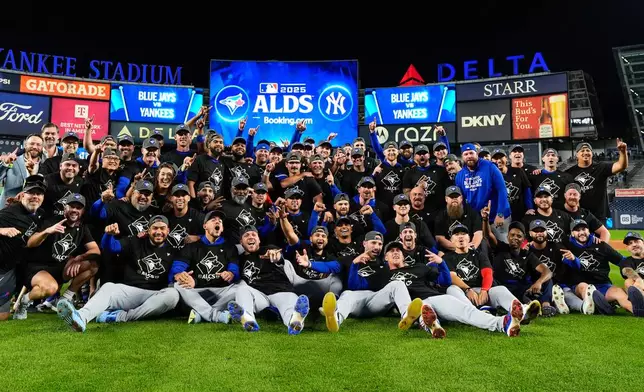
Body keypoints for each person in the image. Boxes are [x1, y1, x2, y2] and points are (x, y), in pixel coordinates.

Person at [56, 216, 180, 332]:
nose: (158, 232)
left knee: (173, 295)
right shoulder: (135, 241)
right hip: (130, 292)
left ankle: (121, 316)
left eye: (162, 228)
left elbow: (176, 271)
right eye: (155, 228)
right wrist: (109, 235)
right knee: (109, 287)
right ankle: (81, 317)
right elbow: (112, 248)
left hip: (155, 295)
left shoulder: (173, 250)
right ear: (148, 230)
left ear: (168, 230)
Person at [383, 241, 525, 337]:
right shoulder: (383, 275)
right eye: (391, 251)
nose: (395, 253)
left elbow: (445, 281)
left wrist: (441, 263)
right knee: (423, 308)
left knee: (466, 311)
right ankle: (431, 324)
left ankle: (502, 324)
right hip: (415, 305)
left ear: (404, 255)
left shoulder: (419, 267)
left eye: (398, 250)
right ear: (385, 257)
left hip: (435, 298)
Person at [14, 194, 100, 319]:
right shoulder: (51, 221)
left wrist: (79, 258)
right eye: (72, 206)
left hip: (61, 268)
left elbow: (96, 251)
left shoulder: (82, 228)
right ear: (65, 208)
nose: (75, 210)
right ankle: (24, 301)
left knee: (92, 265)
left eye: (78, 208)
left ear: (83, 211)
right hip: (39, 267)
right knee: (51, 288)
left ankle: (65, 300)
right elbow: (30, 243)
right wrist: (46, 232)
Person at [319, 231, 424, 333]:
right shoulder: (351, 259)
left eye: (380, 244)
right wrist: (309, 264)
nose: (377, 247)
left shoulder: (383, 266)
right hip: (355, 302)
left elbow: (363, 286)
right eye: (374, 243)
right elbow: (351, 285)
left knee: (398, 284)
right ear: (365, 243)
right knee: (347, 294)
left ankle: (407, 316)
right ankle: (335, 319)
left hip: (375, 301)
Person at [443, 224, 541, 322]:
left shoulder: (479, 254)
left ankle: (521, 312)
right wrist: (467, 290)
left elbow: (487, 273)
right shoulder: (447, 257)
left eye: (463, 234)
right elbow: (452, 277)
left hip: (480, 291)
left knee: (500, 289)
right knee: (452, 289)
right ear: (451, 240)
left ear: (469, 238)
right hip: (462, 293)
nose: (460, 237)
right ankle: (475, 314)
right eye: (456, 234)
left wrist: (484, 290)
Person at [226, 225, 311, 335]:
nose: (250, 237)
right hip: (259, 295)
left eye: (253, 234)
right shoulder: (240, 259)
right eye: (246, 235)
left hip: (280, 290)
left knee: (289, 307)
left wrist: (276, 256)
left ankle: (294, 321)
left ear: (259, 239)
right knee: (241, 289)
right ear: (241, 242)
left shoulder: (268, 249)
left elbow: (278, 256)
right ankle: (248, 319)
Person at [562, 219, 644, 317]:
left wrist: (636, 274)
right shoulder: (567, 247)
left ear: (589, 231)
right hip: (581, 285)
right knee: (586, 287)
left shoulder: (601, 245)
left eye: (584, 229)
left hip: (603, 284)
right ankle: (601, 305)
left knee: (619, 293)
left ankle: (638, 311)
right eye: (577, 230)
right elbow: (570, 266)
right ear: (572, 233)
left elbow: (622, 261)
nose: (581, 233)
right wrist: (573, 259)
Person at [171, 210, 239, 324]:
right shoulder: (191, 247)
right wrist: (181, 275)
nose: (217, 222)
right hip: (197, 289)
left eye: (220, 221)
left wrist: (231, 274)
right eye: (213, 220)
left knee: (242, 288)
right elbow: (177, 268)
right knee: (178, 284)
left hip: (221, 290)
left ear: (222, 228)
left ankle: (201, 313)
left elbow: (234, 269)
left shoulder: (230, 247)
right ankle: (216, 315)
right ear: (205, 226)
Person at [0, 176, 46, 320]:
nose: (35, 197)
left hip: (11, 269)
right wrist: (1, 230)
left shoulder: (39, 214)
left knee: (3, 316)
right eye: (31, 193)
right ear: (22, 195)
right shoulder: (9, 213)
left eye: (39, 194)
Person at [456, 143, 511, 243]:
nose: (469, 156)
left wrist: (500, 213)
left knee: (503, 247)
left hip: (495, 217)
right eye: (466, 154)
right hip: (476, 220)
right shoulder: (460, 175)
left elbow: (502, 190)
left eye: (471, 153)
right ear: (462, 157)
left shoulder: (490, 167)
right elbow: (462, 199)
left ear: (476, 154)